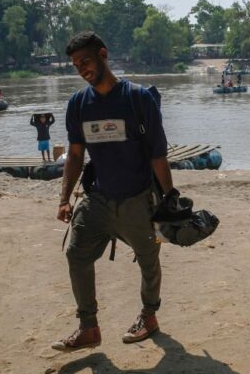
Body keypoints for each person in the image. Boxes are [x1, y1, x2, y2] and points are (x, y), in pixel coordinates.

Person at [53, 31, 174, 351]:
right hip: (98, 199)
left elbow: (157, 154)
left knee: (149, 260)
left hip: (137, 198)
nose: (81, 69)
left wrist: (170, 198)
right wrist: (64, 199)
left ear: (104, 55)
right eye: (76, 65)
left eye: (86, 61)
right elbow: (76, 154)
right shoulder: (79, 104)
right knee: (75, 254)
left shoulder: (139, 98)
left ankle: (149, 315)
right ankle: (88, 327)